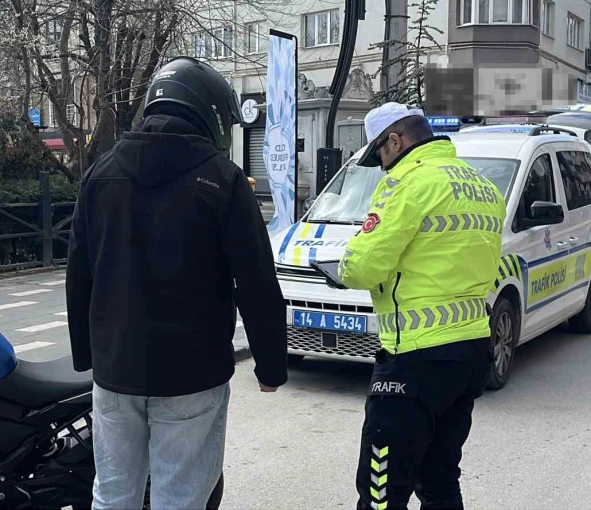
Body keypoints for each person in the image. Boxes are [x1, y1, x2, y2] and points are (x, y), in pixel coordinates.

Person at [65, 57, 288, 510]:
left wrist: (88, 356)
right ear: (208, 112)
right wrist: (271, 366)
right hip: (192, 374)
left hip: (115, 373)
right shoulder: (223, 181)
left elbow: (79, 273)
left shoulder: (99, 175)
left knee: (112, 496)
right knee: (181, 499)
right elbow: (257, 282)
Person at [329, 103, 505, 510]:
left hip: (415, 357)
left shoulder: (407, 183)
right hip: (472, 349)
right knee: (441, 480)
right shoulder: (482, 187)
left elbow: (359, 267)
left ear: (395, 140)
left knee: (380, 489)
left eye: (379, 156)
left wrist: (348, 260)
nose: (382, 167)